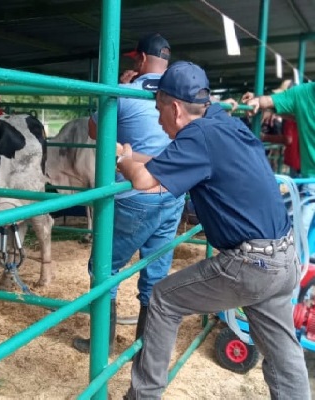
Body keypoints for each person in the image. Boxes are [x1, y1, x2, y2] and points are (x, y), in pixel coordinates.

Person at [116, 60, 309, 399]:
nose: (159, 120)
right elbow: (167, 162)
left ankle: (142, 396)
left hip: (251, 265)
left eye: (159, 109)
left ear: (175, 108)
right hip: (283, 258)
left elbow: (144, 180)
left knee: (163, 299)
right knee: (284, 359)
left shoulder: (197, 136)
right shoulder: (220, 122)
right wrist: (137, 156)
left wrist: (123, 160)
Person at [73, 33, 185, 354]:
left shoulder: (125, 92)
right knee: (156, 273)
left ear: (141, 60)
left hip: (136, 195)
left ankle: (101, 346)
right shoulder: (179, 97)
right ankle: (146, 348)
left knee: (104, 269)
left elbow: (95, 131)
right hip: (173, 193)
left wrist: (117, 91)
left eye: (134, 58)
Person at [243, 81, 315, 237]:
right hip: (300, 170)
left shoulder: (301, 94)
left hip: (305, 173)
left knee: (299, 226)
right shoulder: (300, 98)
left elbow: (287, 139)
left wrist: (264, 134)